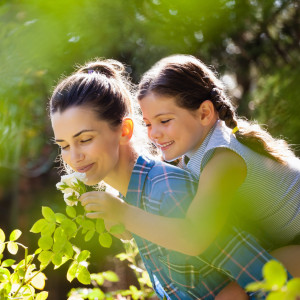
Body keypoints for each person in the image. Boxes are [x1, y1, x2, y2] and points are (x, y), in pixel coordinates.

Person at [50, 58, 288, 300]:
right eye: (64, 145)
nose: (74, 156)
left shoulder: (167, 191)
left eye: (85, 139)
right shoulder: (131, 201)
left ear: (124, 131)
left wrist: (124, 215)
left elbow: (263, 279)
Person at [136, 54, 300, 275]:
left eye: (164, 121)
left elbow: (194, 237)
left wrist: (125, 215)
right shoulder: (196, 151)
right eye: (148, 123)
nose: (153, 133)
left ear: (204, 113)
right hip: (288, 241)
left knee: (252, 280)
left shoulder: (222, 160)